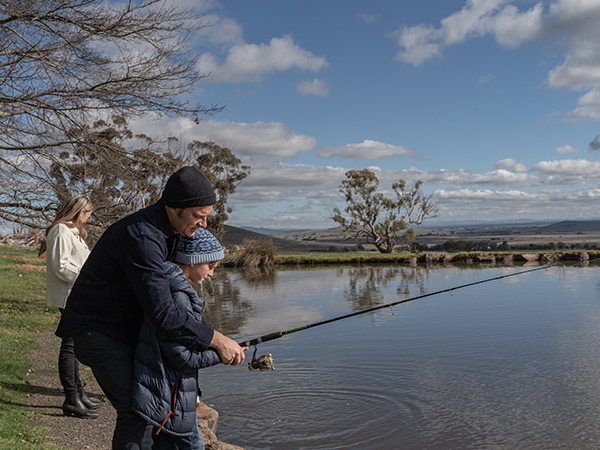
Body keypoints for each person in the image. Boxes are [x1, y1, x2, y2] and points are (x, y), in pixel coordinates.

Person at [55, 166, 246, 450]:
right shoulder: (143, 237)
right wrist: (217, 340)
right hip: (98, 332)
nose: (204, 223)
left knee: (149, 410)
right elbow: (165, 314)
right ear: (175, 207)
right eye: (198, 215)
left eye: (207, 215)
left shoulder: (166, 230)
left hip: (120, 331)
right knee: (136, 412)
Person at [133, 227, 226, 449]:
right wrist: (221, 355)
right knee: (193, 445)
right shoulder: (180, 297)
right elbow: (182, 357)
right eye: (210, 266)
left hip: (167, 390)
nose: (211, 273)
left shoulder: (166, 284)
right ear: (193, 261)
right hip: (171, 393)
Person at [45, 194, 101, 419]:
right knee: (69, 347)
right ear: (80, 212)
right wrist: (87, 277)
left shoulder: (75, 234)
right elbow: (61, 265)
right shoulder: (61, 231)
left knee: (74, 346)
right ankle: (71, 399)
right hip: (70, 296)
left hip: (77, 295)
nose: (88, 219)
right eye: (87, 214)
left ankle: (78, 394)